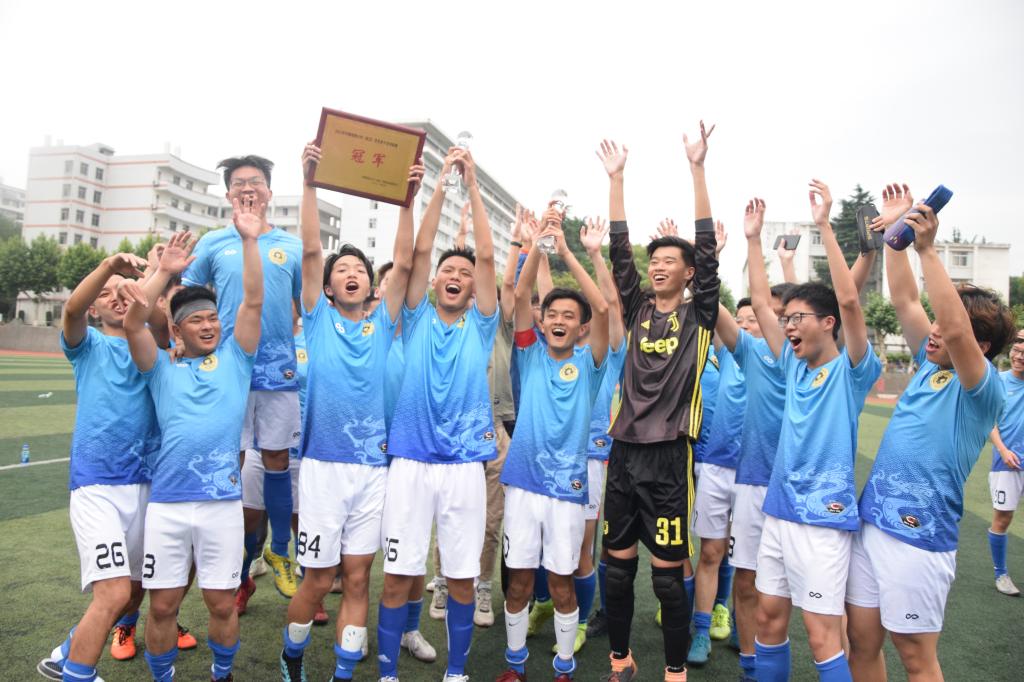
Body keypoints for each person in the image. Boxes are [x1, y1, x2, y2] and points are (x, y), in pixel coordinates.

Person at [846, 183, 1013, 680]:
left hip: (919, 534)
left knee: (917, 658)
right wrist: (897, 236)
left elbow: (955, 329)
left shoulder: (983, 388)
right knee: (862, 644)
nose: (934, 329)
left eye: (944, 322)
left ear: (983, 346)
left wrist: (928, 249)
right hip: (873, 521)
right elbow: (903, 298)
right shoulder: (929, 362)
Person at [277, 144, 422, 681]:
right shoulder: (317, 318)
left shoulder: (383, 323)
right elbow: (311, 250)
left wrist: (407, 200)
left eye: (359, 268)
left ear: (370, 283)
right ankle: (292, 656)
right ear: (329, 286)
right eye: (342, 269)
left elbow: (404, 262)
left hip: (372, 471)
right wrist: (309, 183)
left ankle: (342, 673)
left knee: (359, 578)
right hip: (323, 468)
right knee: (318, 580)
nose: (351, 273)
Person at [598, 124, 720, 682]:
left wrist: (697, 168)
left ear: (688, 274)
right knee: (617, 570)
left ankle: (674, 670)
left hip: (671, 457)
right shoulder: (638, 308)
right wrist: (616, 179)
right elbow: (618, 252)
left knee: (669, 579)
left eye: (670, 260)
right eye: (656, 260)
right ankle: (620, 659)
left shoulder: (700, 315)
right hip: (623, 453)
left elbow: (708, 252)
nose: (658, 265)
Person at [745, 182, 881, 682]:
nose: (787, 326)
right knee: (768, 620)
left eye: (797, 319)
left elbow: (849, 299)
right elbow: (761, 304)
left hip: (823, 520)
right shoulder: (793, 365)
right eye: (787, 320)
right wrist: (753, 240)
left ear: (827, 323)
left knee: (822, 634)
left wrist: (825, 224)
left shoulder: (852, 370)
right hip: (779, 510)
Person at [122, 206, 261, 682]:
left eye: (212, 318)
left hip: (222, 505)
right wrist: (163, 272)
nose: (208, 326)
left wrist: (249, 242)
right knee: (162, 605)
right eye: (196, 320)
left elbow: (253, 303)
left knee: (221, 603)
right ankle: (163, 677)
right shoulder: (161, 368)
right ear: (177, 330)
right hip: (169, 505)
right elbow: (134, 324)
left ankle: (222, 674)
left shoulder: (236, 360)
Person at [376, 146, 498, 682]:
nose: (455, 275)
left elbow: (488, 258)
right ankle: (386, 674)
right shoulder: (416, 315)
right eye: (447, 270)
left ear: (473, 288)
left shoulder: (482, 323)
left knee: (462, 576)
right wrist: (438, 187)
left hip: (465, 465)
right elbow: (418, 251)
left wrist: (472, 185)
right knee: (398, 575)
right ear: (434, 282)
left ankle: (456, 672)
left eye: (463, 273)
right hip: (410, 461)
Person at [182, 155, 303, 600]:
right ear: (228, 194)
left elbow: (304, 303)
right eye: (238, 183)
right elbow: (186, 296)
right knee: (226, 463)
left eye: (255, 182)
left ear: (270, 192)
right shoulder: (213, 242)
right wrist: (181, 338)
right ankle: (231, 561)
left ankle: (280, 550)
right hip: (226, 369)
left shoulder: (291, 245)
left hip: (278, 369)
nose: (247, 188)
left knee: (277, 460)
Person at [496, 211, 610, 682]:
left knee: (562, 582)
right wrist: (532, 247)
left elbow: (603, 308)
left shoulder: (591, 363)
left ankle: (564, 667)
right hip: (523, 485)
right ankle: (515, 665)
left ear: (581, 329)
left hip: (567, 491)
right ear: (542, 324)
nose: (559, 320)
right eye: (552, 315)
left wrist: (566, 250)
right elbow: (520, 293)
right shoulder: (529, 354)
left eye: (569, 316)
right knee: (519, 582)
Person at [35, 250, 157, 682]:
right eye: (106, 295)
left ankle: (67, 652)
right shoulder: (87, 346)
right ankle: (78, 673)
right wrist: (109, 268)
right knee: (115, 591)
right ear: (95, 309)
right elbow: (71, 310)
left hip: (147, 482)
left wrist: (154, 273)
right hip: (97, 484)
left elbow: (157, 311)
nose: (117, 297)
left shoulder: (152, 345)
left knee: (135, 590)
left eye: (123, 291)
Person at [989, 331, 1024, 597]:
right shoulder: (998, 382)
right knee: (1003, 518)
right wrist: (1003, 450)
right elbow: (988, 422)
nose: (1019, 357)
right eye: (1016, 351)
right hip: (1007, 463)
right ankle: (1000, 574)